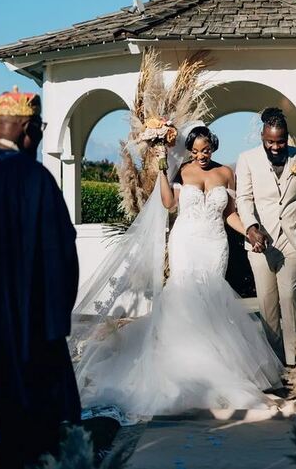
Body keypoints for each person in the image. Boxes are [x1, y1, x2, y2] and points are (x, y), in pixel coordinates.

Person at [75, 125, 283, 420]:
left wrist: (248, 232)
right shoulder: (181, 171)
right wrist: (162, 167)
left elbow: (230, 214)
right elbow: (169, 204)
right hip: (186, 241)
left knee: (212, 297)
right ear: (189, 151)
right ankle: (184, 364)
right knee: (184, 296)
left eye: (206, 150)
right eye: (195, 151)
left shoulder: (225, 173)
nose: (201, 156)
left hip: (215, 243)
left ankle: (215, 363)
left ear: (214, 147)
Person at [0, 87, 81, 468]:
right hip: (28, 327)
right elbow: (62, 253)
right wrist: (55, 321)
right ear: (28, 129)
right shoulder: (36, 180)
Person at [236, 108, 296, 366]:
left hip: (293, 239)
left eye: (280, 141)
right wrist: (251, 228)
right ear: (262, 136)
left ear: (287, 137)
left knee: (289, 298)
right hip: (261, 242)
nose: (275, 146)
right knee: (267, 303)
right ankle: (275, 364)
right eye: (270, 141)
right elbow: (243, 198)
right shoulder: (247, 159)